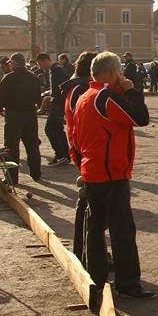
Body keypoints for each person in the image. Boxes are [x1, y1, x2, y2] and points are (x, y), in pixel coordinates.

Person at [74, 51, 154, 309]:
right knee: (122, 229)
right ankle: (128, 283)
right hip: (110, 173)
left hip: (92, 170)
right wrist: (132, 91)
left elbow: (74, 139)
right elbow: (140, 118)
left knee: (95, 227)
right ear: (112, 73)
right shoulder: (105, 97)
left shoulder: (84, 97)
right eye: (119, 72)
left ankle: (96, 277)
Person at [62, 51, 97, 263]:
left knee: (89, 204)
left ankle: (86, 250)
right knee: (90, 206)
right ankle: (87, 252)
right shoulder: (81, 89)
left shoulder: (75, 87)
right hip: (84, 151)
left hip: (81, 149)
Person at [0, 52, 43, 184]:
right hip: (30, 113)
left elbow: (0, 95)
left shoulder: (9, 77)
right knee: (32, 144)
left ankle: (12, 177)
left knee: (11, 146)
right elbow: (38, 96)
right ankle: (36, 173)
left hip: (14, 113)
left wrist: (0, 108)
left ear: (13, 63)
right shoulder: (32, 77)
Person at [37, 52, 71, 164]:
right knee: (57, 129)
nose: (40, 66)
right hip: (57, 102)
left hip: (58, 104)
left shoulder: (57, 70)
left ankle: (61, 154)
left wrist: (59, 96)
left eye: (40, 63)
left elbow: (67, 82)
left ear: (45, 60)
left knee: (50, 129)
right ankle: (65, 154)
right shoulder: (54, 70)